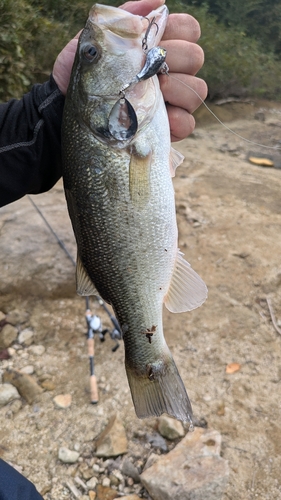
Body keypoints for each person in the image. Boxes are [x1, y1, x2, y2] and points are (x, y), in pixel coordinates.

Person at [0, 0, 207, 498]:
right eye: (93, 53)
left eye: (88, 52)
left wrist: (51, 109)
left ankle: (149, 358)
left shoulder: (119, 114)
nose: (96, 46)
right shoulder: (119, 114)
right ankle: (148, 354)